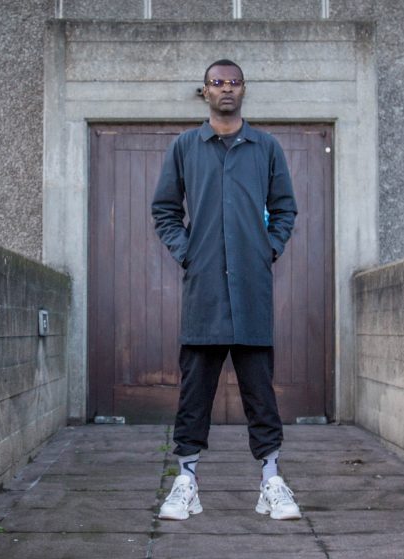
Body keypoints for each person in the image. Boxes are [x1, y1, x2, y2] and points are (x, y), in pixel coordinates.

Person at [151, 59, 301, 522]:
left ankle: (271, 480)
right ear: (205, 92)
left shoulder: (266, 147)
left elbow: (285, 210)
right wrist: (189, 252)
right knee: (195, 390)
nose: (227, 90)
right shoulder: (185, 147)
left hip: (252, 292)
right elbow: (164, 211)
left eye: (234, 83)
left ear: (244, 90)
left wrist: (265, 251)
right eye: (218, 83)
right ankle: (187, 481)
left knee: (260, 391)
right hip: (205, 294)